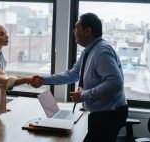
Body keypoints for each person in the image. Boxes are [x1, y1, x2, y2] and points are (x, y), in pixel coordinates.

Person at [32, 13, 128, 142]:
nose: (73, 31)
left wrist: (84, 95)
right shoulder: (89, 50)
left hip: (109, 114)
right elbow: (72, 74)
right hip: (102, 113)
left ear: (87, 31)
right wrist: (44, 80)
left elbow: (115, 83)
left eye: (76, 28)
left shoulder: (102, 51)